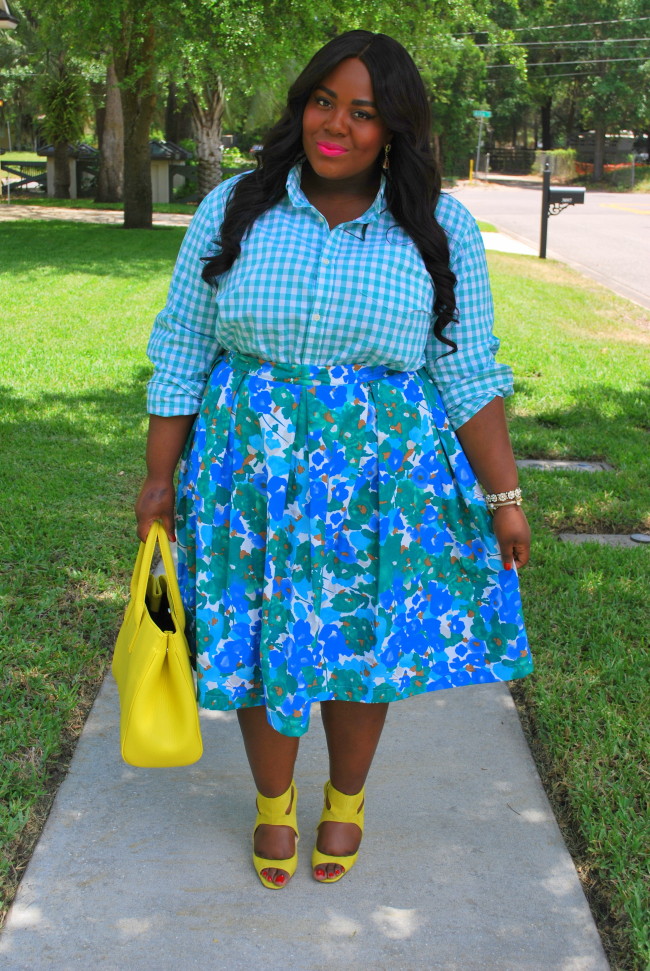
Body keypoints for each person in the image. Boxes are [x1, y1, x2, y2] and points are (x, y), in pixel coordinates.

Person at [135, 29, 532, 891]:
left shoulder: (436, 226)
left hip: (378, 483)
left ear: (394, 129)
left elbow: (466, 364)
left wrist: (504, 495)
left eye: (365, 112)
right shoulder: (236, 205)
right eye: (325, 102)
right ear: (301, 106)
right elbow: (183, 345)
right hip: (248, 476)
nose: (338, 126)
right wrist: (160, 476)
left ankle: (345, 797)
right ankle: (273, 803)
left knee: (363, 642)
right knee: (251, 637)